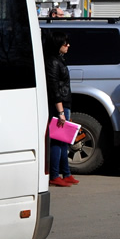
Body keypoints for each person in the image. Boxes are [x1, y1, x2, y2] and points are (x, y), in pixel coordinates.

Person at [44, 31, 77, 187]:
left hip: (65, 104)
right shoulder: (52, 62)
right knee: (57, 141)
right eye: (65, 43)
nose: (68, 45)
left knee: (65, 141)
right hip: (58, 105)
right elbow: (54, 87)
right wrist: (61, 111)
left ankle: (66, 173)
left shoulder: (60, 60)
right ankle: (55, 175)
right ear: (58, 44)